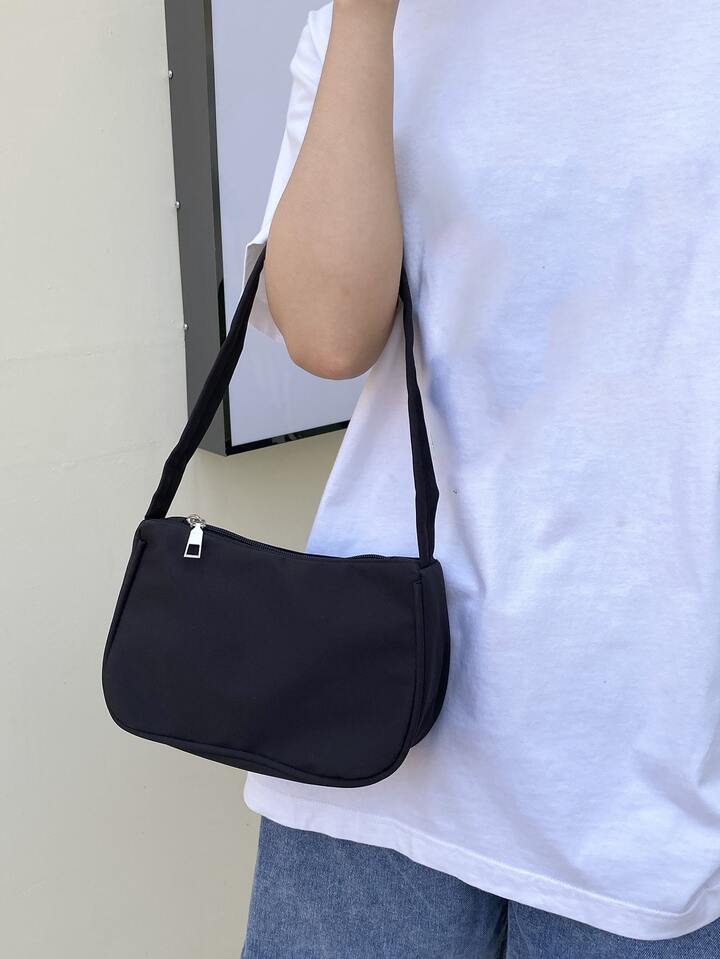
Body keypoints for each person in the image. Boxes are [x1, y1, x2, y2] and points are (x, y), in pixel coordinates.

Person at [239, 1, 720, 955]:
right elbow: (328, 336)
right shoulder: (372, 25)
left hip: (652, 760)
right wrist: (365, 20)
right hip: (377, 738)